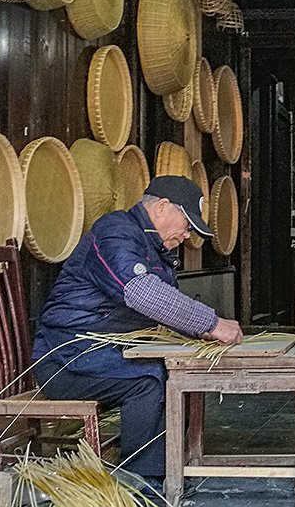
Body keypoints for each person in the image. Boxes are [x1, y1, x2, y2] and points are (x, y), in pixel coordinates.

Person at [32, 176, 242, 490]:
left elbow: (165, 305)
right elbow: (140, 292)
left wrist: (198, 334)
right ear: (161, 207)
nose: (187, 235)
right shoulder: (115, 232)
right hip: (66, 358)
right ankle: (142, 479)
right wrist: (210, 323)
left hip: (101, 357)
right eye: (187, 225)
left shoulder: (152, 246)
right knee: (149, 379)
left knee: (176, 370)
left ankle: (169, 462)